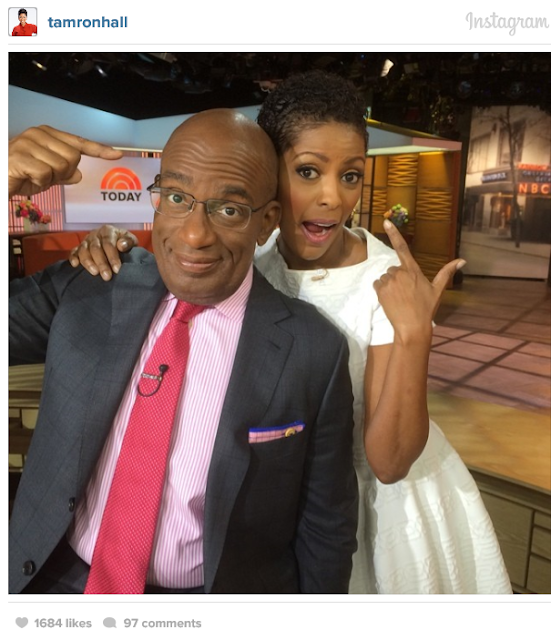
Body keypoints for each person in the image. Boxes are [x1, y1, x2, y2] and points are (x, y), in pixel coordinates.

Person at [74, 71, 512, 594]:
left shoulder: (384, 280)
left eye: (350, 176)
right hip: (279, 499)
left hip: (377, 505)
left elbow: (389, 461)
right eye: (308, 171)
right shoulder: (252, 255)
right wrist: (111, 243)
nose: (332, 198)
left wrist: (415, 334)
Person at [8, 112, 359, 594]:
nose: (194, 235)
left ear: (267, 221)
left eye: (229, 209)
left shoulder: (313, 349)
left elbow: (326, 528)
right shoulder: (93, 284)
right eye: (176, 198)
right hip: (52, 580)